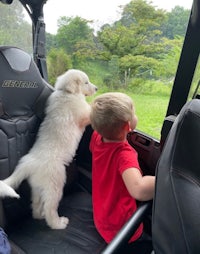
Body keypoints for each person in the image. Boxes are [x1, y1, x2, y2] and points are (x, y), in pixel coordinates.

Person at [89, 92, 155, 253]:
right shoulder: (124, 154)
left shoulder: (97, 137)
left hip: (101, 216)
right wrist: (165, 179)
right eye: (134, 113)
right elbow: (138, 190)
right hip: (120, 227)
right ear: (128, 126)